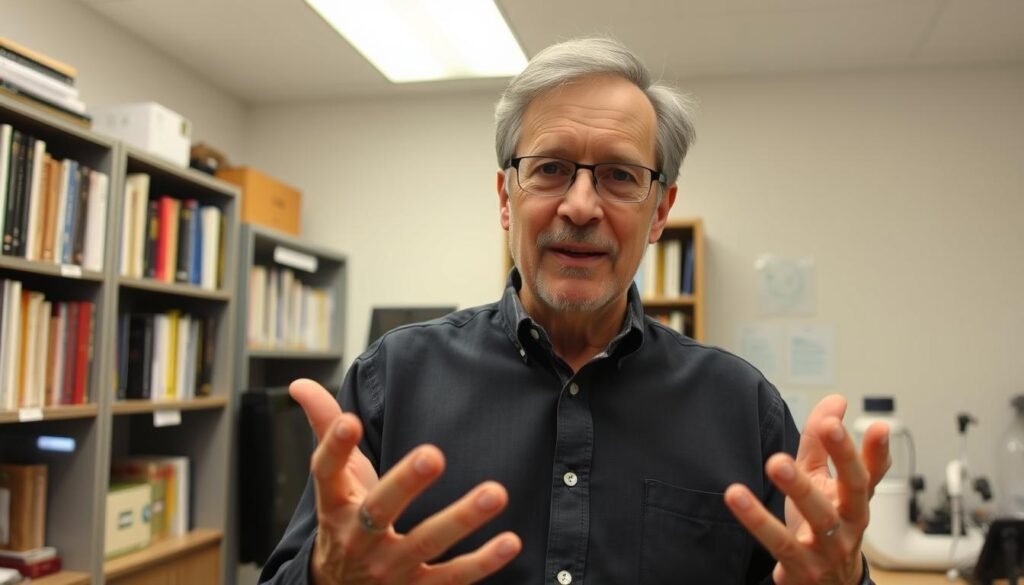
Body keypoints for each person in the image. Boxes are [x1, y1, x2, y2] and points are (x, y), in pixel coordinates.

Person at [259, 36, 890, 585]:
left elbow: (807, 568)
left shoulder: (741, 407)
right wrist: (327, 575)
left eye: (619, 175)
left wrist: (841, 578)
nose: (582, 206)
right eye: (552, 168)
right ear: (507, 197)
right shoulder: (392, 380)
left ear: (660, 212)